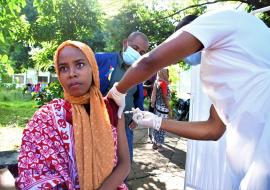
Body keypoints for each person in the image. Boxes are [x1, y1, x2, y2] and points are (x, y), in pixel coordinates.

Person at [108, 9, 270, 190]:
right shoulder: (219, 65)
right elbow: (213, 129)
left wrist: (117, 91)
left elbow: (149, 62)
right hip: (248, 155)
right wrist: (156, 121)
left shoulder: (218, 18)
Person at [16, 40, 130, 189]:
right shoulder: (47, 117)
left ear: (93, 68)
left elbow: (124, 164)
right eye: (63, 68)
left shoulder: (111, 108)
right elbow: (34, 173)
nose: (72, 73)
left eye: (80, 65)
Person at [95, 31, 149, 161]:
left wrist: (137, 115)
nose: (137, 53)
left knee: (125, 161)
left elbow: (138, 97)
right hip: (100, 124)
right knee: (101, 161)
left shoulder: (139, 69)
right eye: (135, 48)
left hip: (125, 127)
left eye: (141, 52)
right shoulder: (101, 59)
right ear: (125, 43)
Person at [150, 68, 171, 151]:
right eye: (167, 73)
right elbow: (165, 98)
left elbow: (154, 95)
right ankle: (160, 145)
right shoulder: (163, 83)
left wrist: (152, 103)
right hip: (163, 108)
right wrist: (170, 109)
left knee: (156, 125)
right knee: (162, 126)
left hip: (157, 107)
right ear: (164, 73)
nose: (168, 75)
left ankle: (154, 143)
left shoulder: (157, 82)